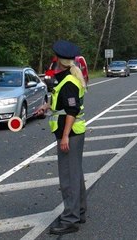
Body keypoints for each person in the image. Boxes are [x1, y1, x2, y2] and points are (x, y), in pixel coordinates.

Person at [35, 40, 88, 235]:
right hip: (72, 133)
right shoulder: (65, 77)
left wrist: (65, 136)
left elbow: (72, 110)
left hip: (71, 134)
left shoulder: (68, 82)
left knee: (68, 178)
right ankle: (79, 212)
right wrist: (47, 106)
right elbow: (62, 104)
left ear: (58, 59)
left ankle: (70, 220)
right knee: (75, 175)